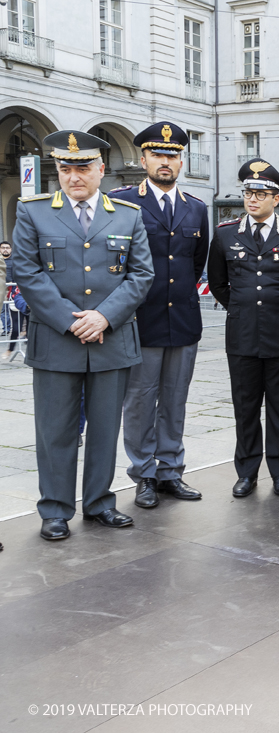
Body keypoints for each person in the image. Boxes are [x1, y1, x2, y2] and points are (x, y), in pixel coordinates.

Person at [12, 130, 153, 541]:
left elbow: (141, 274)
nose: (74, 176)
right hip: (57, 339)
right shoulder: (33, 212)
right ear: (57, 170)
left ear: (101, 170)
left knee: (106, 429)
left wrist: (104, 317)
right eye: (65, 168)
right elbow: (26, 270)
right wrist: (71, 320)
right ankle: (55, 509)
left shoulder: (127, 215)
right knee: (55, 430)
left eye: (83, 167)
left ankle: (98, 503)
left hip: (110, 339)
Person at [112, 121, 209, 509]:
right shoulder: (122, 203)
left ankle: (171, 471)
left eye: (172, 155)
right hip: (139, 321)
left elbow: (194, 264)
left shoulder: (196, 209)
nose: (165, 162)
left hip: (183, 320)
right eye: (158, 155)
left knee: (174, 400)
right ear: (144, 159)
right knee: (139, 402)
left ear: (181, 161)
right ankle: (144, 474)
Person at [206, 158, 279, 499]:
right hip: (243, 335)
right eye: (249, 192)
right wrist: (241, 308)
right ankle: (246, 472)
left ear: (276, 199)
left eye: (261, 193)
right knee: (245, 409)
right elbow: (218, 282)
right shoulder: (226, 234)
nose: (253, 199)